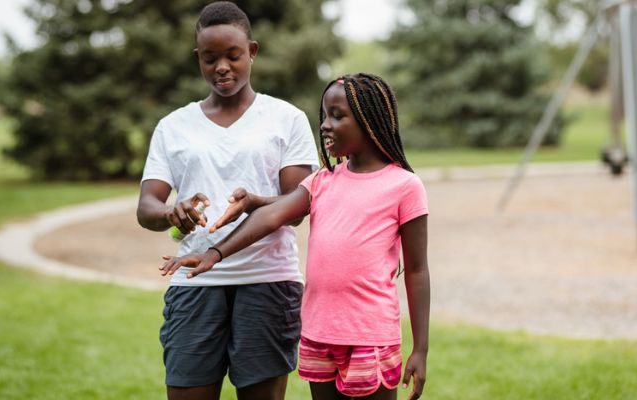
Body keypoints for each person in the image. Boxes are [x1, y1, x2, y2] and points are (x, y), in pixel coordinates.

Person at [160, 73, 430, 400]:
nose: (325, 125)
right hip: (320, 336)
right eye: (325, 115)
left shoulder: (404, 186)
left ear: (370, 120)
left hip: (371, 337)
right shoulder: (322, 181)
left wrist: (420, 349)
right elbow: (272, 215)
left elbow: (417, 271)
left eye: (338, 116)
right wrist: (213, 253)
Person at [136, 2, 318, 399]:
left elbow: (298, 205)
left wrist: (255, 201)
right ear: (197, 58)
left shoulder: (286, 119)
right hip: (195, 282)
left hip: (268, 282)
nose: (222, 66)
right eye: (210, 57)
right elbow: (147, 207)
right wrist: (170, 212)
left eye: (233, 55)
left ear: (252, 51)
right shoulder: (173, 126)